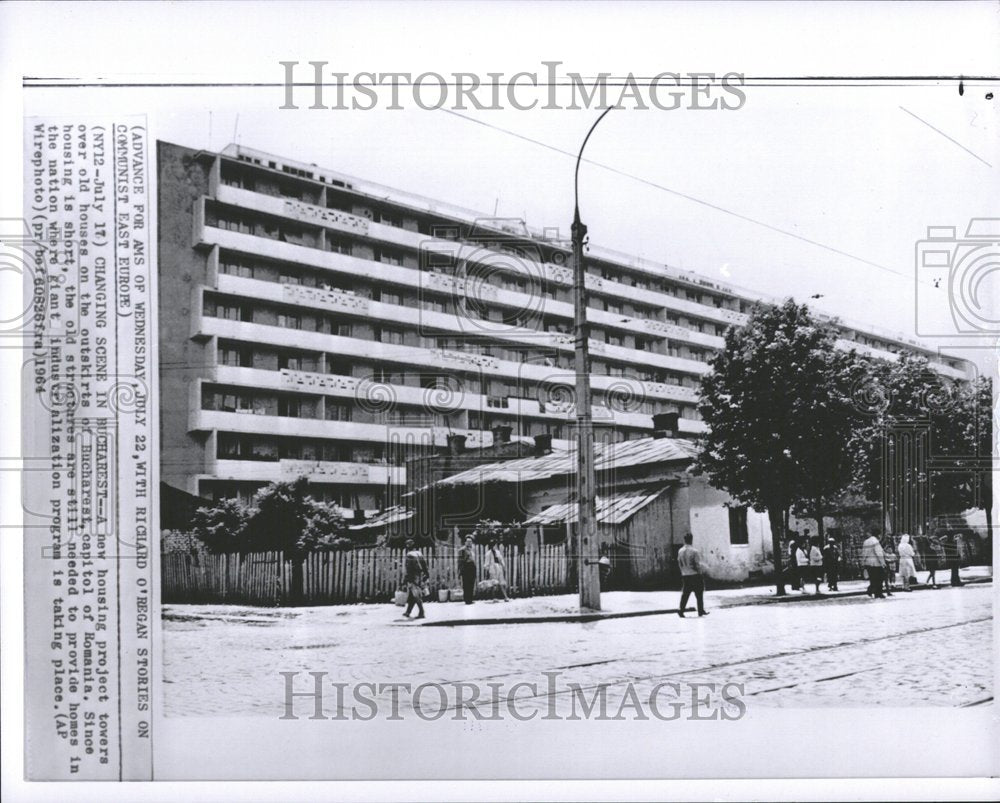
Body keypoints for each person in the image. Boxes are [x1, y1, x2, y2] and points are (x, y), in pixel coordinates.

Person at [677, 533, 709, 617]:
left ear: (684, 540)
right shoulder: (694, 551)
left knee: (685, 594)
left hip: (685, 575)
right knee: (699, 593)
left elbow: (679, 563)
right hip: (694, 575)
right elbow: (697, 564)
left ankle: (681, 610)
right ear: (691, 539)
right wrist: (700, 572)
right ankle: (700, 610)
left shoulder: (680, 551)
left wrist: (683, 572)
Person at [402, 539, 428, 620]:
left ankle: (422, 612)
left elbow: (409, 569)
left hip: (413, 576)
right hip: (420, 576)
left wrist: (407, 579)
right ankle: (408, 612)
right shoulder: (419, 553)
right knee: (412, 595)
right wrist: (426, 574)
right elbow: (424, 565)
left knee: (416, 595)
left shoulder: (409, 555)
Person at [861, 528, 887, 599]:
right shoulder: (876, 542)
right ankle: (878, 593)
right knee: (879, 578)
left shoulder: (866, 541)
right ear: (878, 535)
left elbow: (864, 553)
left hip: (868, 563)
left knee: (872, 578)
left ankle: (872, 591)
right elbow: (879, 553)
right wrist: (883, 563)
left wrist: (863, 562)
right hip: (876, 563)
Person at [458, 535, 478, 604]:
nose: (469, 543)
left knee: (471, 583)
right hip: (466, 567)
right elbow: (460, 561)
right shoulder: (462, 550)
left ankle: (470, 599)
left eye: (471, 542)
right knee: (466, 584)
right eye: (468, 541)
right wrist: (460, 570)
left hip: (472, 567)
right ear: (465, 542)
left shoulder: (471, 550)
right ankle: (467, 599)